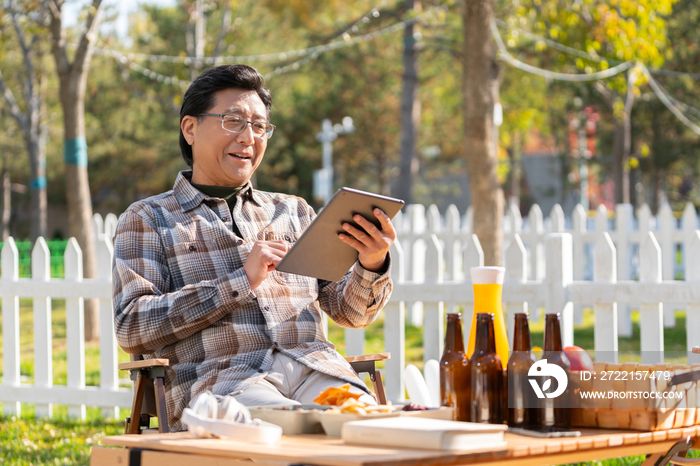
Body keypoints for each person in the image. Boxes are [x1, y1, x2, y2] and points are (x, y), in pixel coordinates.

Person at [112, 64, 396, 431]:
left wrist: (371, 263)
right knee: (284, 434)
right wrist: (239, 281)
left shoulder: (292, 211)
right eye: (234, 121)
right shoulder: (147, 219)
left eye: (260, 126)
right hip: (227, 383)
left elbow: (350, 313)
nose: (250, 137)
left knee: (368, 426)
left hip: (316, 368)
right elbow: (132, 325)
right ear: (190, 128)